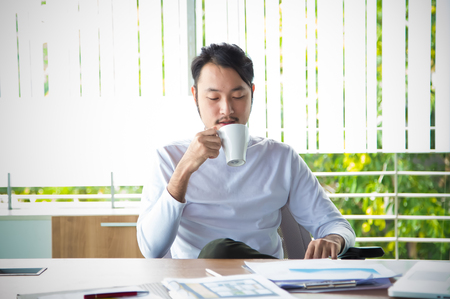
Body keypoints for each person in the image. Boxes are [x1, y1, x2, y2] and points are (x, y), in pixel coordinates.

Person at [137, 43, 355, 260]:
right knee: (218, 251)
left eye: (238, 96)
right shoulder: (169, 158)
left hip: (264, 284)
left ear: (251, 94)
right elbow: (151, 249)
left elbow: (335, 224)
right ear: (195, 97)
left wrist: (334, 239)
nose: (227, 109)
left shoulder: (281, 158)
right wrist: (183, 170)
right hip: (197, 286)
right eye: (213, 98)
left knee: (222, 251)